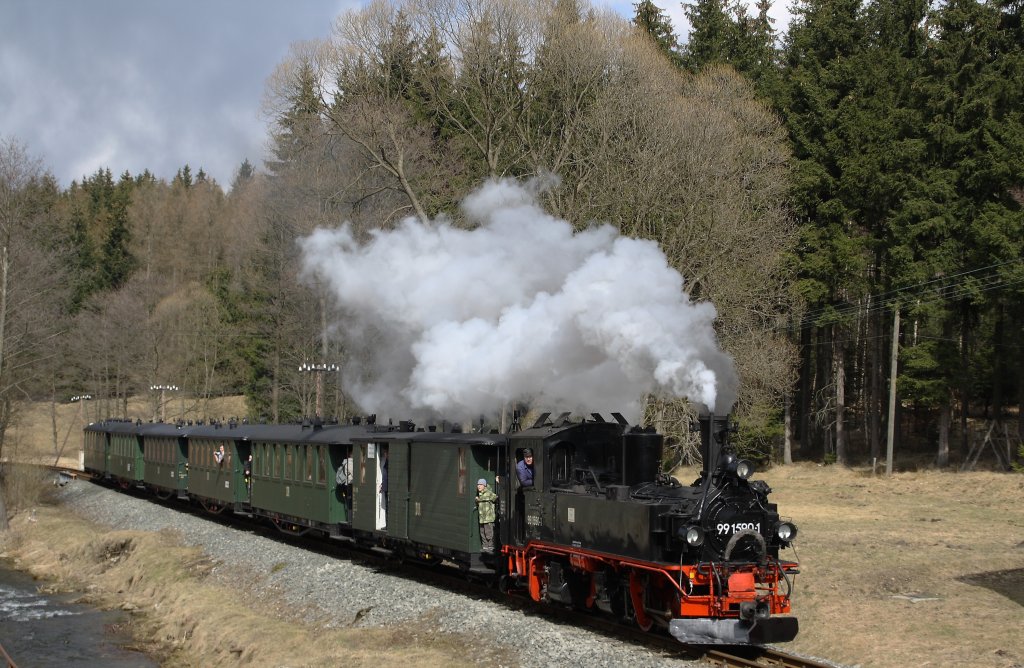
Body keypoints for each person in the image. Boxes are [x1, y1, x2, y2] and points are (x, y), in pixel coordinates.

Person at [475, 478, 498, 553]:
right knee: (482, 533)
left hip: (488, 518)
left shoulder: (489, 493)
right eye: (478, 484)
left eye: (480, 484)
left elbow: (496, 498)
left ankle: (491, 547)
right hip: (482, 518)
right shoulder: (479, 495)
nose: (479, 486)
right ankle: (485, 547)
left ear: (484, 485)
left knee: (489, 533)